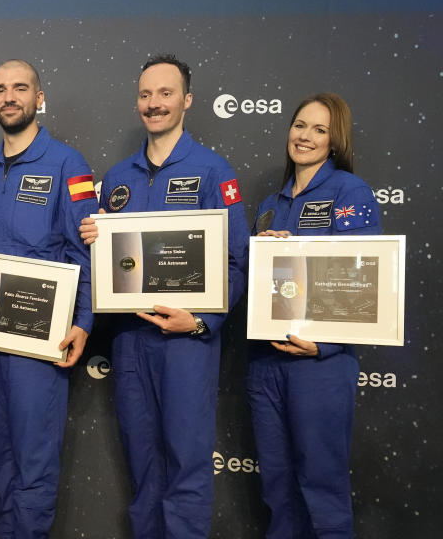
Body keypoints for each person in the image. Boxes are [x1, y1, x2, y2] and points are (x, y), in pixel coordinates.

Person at [80, 55, 249, 538]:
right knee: (143, 463)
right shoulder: (116, 180)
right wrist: (95, 239)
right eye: (146, 95)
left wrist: (199, 322)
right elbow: (107, 266)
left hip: (185, 341)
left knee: (186, 463)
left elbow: (237, 263)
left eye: (165, 93)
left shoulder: (214, 171)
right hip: (130, 341)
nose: (154, 104)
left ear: (187, 100)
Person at [0, 59, 97, 538]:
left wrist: (83, 320)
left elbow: (83, 248)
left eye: (20, 88)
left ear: (39, 98)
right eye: (0, 89)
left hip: (39, 343)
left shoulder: (68, 164)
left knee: (34, 467)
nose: (9, 96)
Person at [248, 93, 379, 538]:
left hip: (318, 365)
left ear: (335, 141)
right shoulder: (270, 203)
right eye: (300, 125)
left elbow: (366, 276)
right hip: (268, 362)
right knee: (278, 488)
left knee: (321, 488)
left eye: (319, 130)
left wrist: (325, 345)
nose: (305, 136)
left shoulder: (349, 191)